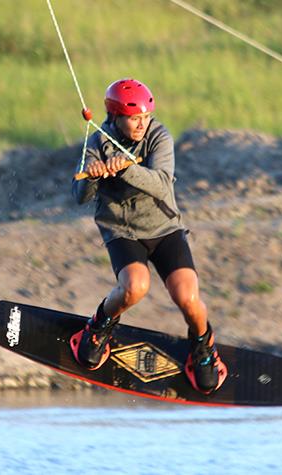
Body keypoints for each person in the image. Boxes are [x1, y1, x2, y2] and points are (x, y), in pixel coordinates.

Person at [70, 78, 227, 394]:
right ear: (116, 116)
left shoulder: (159, 136)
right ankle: (98, 329)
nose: (141, 124)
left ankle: (203, 350)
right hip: (122, 230)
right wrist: (95, 176)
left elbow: (161, 183)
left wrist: (125, 169)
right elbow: (79, 194)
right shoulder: (97, 142)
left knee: (188, 298)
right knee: (135, 287)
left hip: (164, 228)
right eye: (134, 118)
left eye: (145, 117)